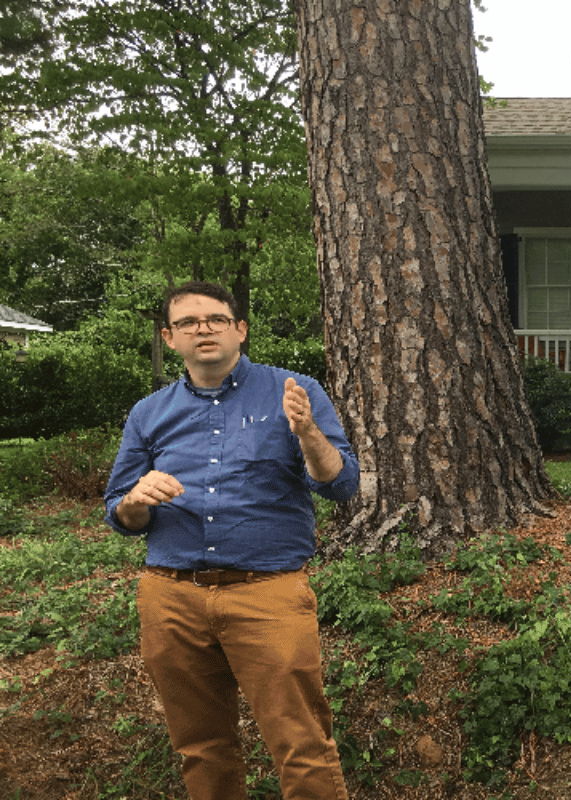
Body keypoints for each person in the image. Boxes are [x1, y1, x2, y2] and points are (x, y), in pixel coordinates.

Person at [103, 281, 359, 800]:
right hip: (171, 597)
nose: (204, 329)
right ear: (168, 338)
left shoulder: (294, 390)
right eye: (188, 323)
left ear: (240, 330)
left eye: (216, 319)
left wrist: (308, 434)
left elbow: (342, 484)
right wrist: (135, 502)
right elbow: (119, 511)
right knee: (201, 746)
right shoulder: (148, 413)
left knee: (301, 744)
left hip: (267, 594)